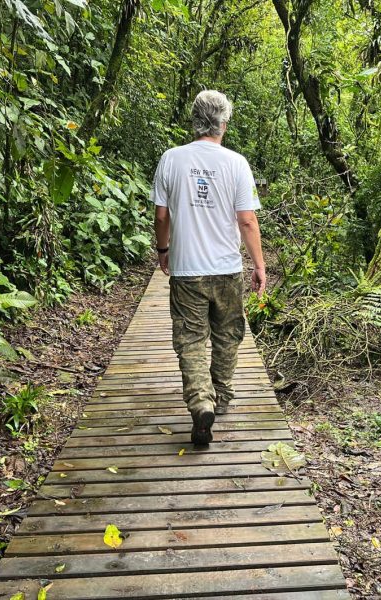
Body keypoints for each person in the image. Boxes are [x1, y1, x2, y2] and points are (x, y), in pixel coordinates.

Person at [150, 90, 266, 447]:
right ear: (223, 123)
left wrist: (163, 249)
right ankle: (222, 395)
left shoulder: (171, 159)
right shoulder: (237, 163)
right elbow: (247, 221)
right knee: (228, 335)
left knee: (190, 339)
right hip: (226, 270)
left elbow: (161, 216)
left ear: (195, 121)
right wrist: (259, 265)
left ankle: (202, 402)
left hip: (187, 271)